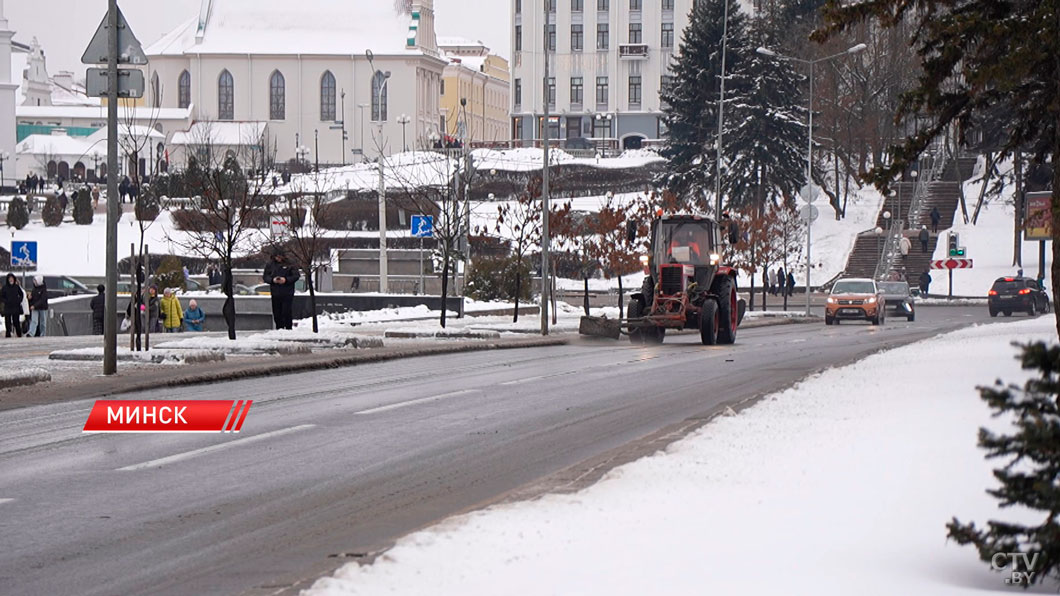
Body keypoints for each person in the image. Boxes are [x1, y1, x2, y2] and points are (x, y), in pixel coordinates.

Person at [263, 249, 300, 330]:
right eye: (277, 257)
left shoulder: (290, 264)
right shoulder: (270, 264)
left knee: (286, 312)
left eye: (280, 257)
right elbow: (265, 276)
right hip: (275, 292)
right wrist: (273, 280)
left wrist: (286, 280)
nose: (279, 259)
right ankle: (279, 328)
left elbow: (296, 276)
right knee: (277, 313)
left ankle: (288, 328)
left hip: (287, 292)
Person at [1, 273, 24, 338]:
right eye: (9, 279)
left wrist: (19, 300)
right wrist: (5, 301)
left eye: (12, 279)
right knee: (7, 321)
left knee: (16, 321)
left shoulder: (16, 287)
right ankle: (8, 334)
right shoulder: (5, 287)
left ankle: (19, 334)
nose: (11, 280)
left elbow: (21, 294)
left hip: (15, 307)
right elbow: (1, 296)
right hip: (8, 307)